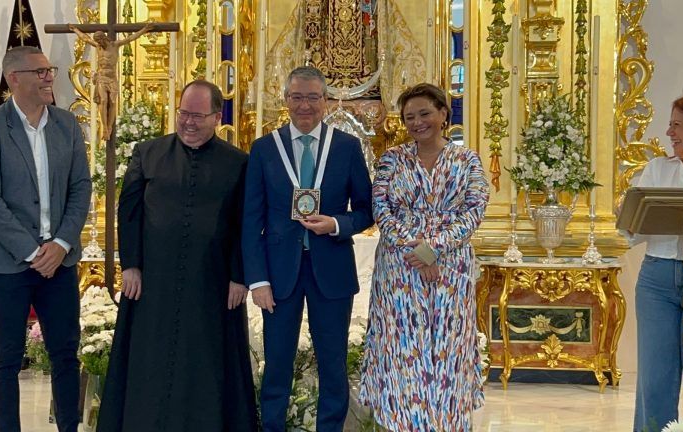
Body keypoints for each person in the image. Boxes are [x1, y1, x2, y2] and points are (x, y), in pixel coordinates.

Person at [97, 80, 257, 432]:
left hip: (212, 283)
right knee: (149, 360)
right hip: (152, 281)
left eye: (197, 116)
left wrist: (239, 275)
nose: (188, 122)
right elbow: (129, 213)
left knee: (206, 363)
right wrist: (131, 265)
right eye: (183, 113)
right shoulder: (147, 153)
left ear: (216, 117)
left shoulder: (238, 163)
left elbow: (243, 223)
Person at [242, 66, 374, 432]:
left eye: (313, 97)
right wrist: (257, 280)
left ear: (326, 101)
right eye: (297, 97)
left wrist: (336, 224)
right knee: (276, 364)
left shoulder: (346, 147)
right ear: (285, 100)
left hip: (331, 270)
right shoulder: (265, 149)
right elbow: (251, 220)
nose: (305, 105)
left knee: (333, 364)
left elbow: (367, 210)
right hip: (278, 274)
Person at [0, 46, 92, 432]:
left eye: (49, 70)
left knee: (65, 354)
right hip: (9, 263)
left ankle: (69, 427)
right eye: (39, 72)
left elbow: (81, 187)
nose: (49, 77)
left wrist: (61, 244)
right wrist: (31, 250)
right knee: (7, 358)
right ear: (13, 78)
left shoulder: (67, 125)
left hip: (60, 261)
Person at [358, 83, 489, 431]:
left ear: (443, 114)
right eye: (410, 117)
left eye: (425, 114)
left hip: (450, 267)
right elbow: (380, 209)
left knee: (448, 349)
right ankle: (401, 423)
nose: (417, 123)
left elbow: (474, 210)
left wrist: (435, 248)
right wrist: (415, 250)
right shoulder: (392, 159)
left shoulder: (467, 160)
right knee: (403, 350)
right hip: (400, 269)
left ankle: (446, 423)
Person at [625, 93, 683, 431]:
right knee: (655, 381)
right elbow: (630, 231)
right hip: (657, 279)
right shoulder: (656, 169)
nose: (669, 133)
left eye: (677, 125)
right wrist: (630, 215)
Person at [69, 23, 154, 140]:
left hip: (111, 78)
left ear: (104, 38)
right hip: (101, 78)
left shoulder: (115, 45)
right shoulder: (98, 46)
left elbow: (131, 38)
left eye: (100, 40)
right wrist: (75, 30)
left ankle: (109, 126)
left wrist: (144, 30)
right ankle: (105, 128)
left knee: (113, 103)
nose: (99, 43)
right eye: (97, 41)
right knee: (103, 100)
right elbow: (85, 38)